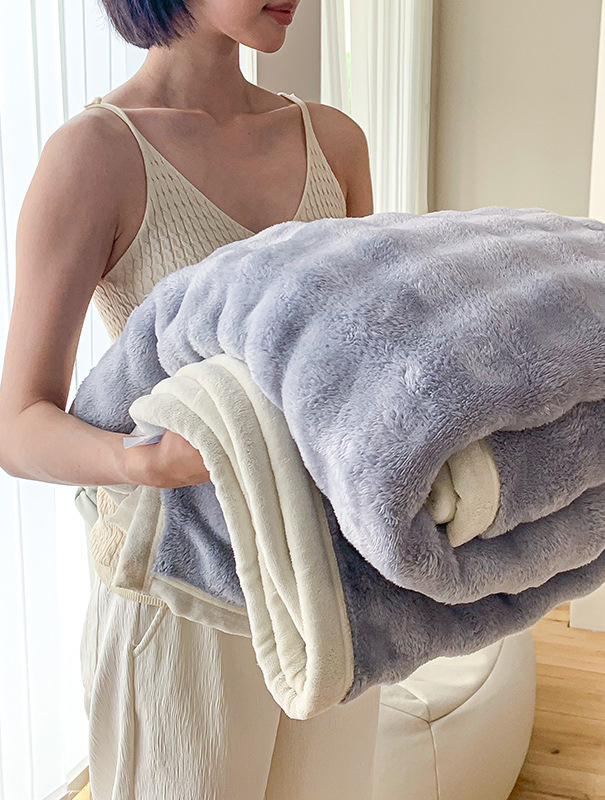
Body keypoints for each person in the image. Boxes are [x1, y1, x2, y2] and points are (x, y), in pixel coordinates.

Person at [0, 0, 380, 797]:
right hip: (181, 593)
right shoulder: (95, 154)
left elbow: (358, 357)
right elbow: (18, 423)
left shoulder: (334, 143)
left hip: (331, 583)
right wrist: (143, 463)